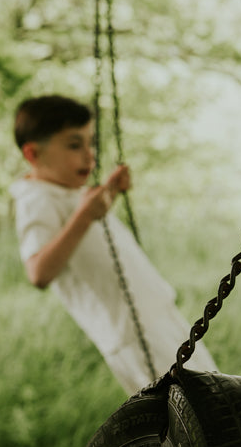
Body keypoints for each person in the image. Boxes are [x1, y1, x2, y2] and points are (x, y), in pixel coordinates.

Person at [11, 94, 217, 394]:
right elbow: (38, 272)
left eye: (90, 142)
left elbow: (86, 234)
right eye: (73, 144)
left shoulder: (66, 190)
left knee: (215, 395)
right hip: (130, 332)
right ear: (33, 154)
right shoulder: (35, 200)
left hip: (156, 314)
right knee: (187, 414)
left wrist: (110, 192)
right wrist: (84, 215)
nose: (88, 155)